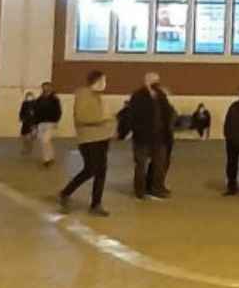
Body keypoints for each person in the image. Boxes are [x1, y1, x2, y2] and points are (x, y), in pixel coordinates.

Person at [57, 70, 112, 217]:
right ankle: (65, 192)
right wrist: (102, 119)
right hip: (88, 139)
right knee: (91, 169)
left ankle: (96, 204)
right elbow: (82, 117)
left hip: (102, 138)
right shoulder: (83, 95)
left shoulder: (99, 97)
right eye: (104, 80)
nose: (105, 84)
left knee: (101, 172)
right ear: (97, 81)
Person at [122, 72, 174, 201]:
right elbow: (131, 116)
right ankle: (140, 190)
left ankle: (157, 188)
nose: (156, 83)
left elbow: (168, 113)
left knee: (160, 164)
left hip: (160, 137)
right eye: (153, 80)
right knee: (141, 165)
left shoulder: (161, 95)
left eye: (157, 80)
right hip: (142, 138)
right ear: (146, 81)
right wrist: (125, 132)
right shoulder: (137, 96)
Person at [32, 81, 62, 167]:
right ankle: (50, 157)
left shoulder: (55, 99)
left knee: (45, 140)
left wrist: (56, 121)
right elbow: (36, 112)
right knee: (43, 141)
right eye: (44, 87)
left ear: (51, 88)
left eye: (47, 87)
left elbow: (58, 111)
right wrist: (35, 124)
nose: (45, 88)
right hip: (41, 123)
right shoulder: (39, 99)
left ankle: (47, 159)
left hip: (50, 123)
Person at [18, 90, 37, 155]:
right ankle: (25, 148)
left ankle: (29, 149)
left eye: (30, 96)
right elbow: (21, 111)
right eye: (28, 96)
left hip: (32, 122)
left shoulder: (35, 103)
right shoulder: (24, 103)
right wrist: (21, 118)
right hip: (25, 122)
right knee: (24, 136)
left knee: (30, 137)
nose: (29, 97)